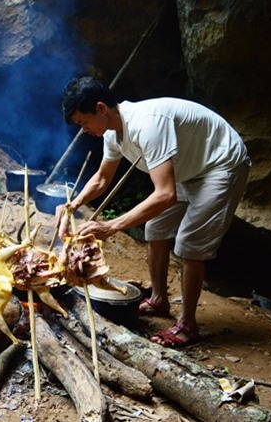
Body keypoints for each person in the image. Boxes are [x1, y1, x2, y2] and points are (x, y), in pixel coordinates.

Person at [56, 76, 251, 348]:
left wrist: (111, 226)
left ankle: (188, 326)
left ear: (101, 108)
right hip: (190, 168)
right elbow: (102, 178)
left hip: (220, 164)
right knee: (155, 228)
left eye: (83, 122)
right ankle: (159, 300)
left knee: (189, 244)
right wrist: (71, 206)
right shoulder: (113, 133)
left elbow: (165, 194)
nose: (83, 129)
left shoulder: (148, 124)